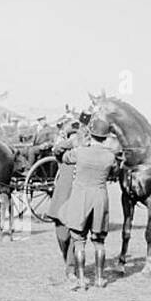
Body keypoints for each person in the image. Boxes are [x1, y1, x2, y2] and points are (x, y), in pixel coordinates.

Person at [60, 115, 121, 289]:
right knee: (99, 241)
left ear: (91, 135)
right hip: (100, 199)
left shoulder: (80, 152)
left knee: (79, 241)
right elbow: (115, 173)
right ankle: (100, 279)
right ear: (105, 137)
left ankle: (80, 280)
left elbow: (65, 158)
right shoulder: (110, 157)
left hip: (80, 198)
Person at [44, 113, 86, 284]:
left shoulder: (85, 154)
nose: (75, 139)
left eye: (77, 136)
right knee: (62, 237)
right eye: (72, 136)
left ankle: (71, 268)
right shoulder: (63, 154)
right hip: (61, 199)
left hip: (77, 199)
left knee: (75, 235)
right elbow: (56, 149)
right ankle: (67, 261)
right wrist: (70, 142)